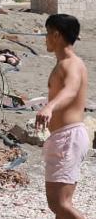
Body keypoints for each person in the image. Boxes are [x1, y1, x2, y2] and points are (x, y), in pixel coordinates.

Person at [39, 13, 89, 219]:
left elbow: (70, 89)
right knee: (60, 204)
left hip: (68, 138)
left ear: (57, 35)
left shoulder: (70, 64)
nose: (45, 39)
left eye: (47, 34)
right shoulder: (66, 63)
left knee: (60, 203)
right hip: (64, 137)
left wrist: (49, 106)